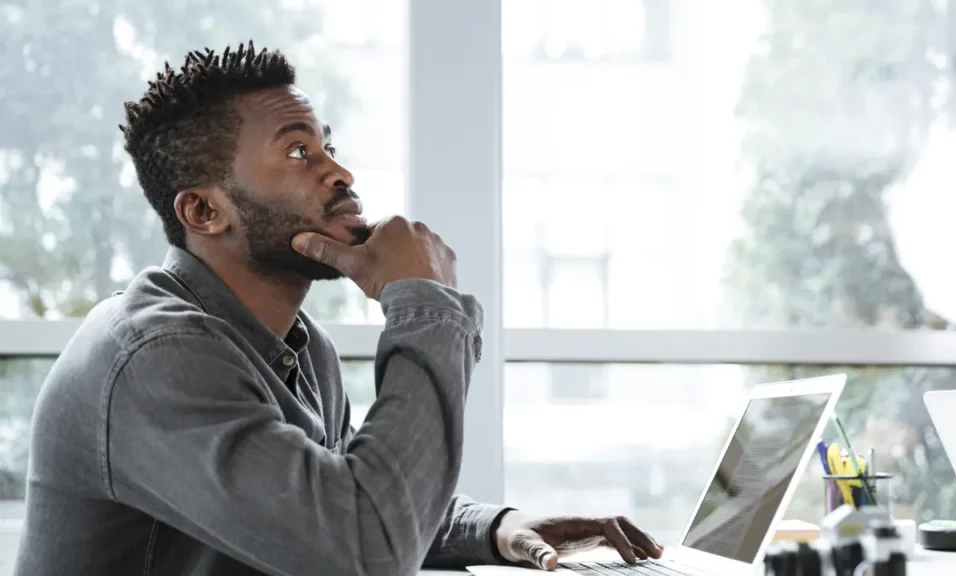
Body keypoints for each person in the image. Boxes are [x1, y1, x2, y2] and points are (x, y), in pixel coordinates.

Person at [13, 42, 662, 575]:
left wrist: (498, 527)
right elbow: (360, 551)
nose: (340, 173)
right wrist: (425, 303)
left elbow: (337, 500)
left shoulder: (299, 346)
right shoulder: (157, 356)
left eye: (328, 147)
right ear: (204, 211)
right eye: (299, 152)